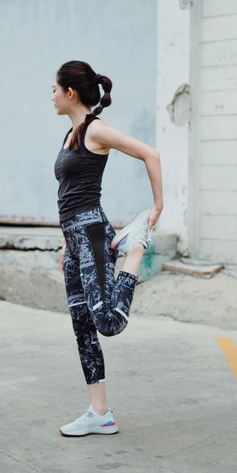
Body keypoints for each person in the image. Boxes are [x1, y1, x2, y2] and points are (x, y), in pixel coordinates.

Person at [52, 60, 163, 437]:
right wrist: (66, 243)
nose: (51, 96)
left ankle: (135, 247)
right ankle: (100, 412)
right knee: (83, 327)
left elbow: (150, 154)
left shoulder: (95, 130)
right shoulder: (70, 134)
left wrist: (158, 206)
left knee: (108, 323)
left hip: (94, 235)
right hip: (75, 240)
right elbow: (68, 193)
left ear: (70, 93)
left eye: (55, 89)